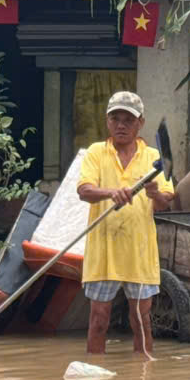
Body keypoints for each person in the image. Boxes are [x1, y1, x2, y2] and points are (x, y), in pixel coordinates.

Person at [77, 91, 175, 357]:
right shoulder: (96, 152)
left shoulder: (153, 157)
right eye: (115, 118)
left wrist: (154, 194)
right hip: (103, 251)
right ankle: (94, 377)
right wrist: (111, 192)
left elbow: (166, 201)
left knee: (141, 322)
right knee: (98, 321)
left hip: (139, 252)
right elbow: (84, 191)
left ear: (140, 122)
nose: (121, 125)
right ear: (107, 121)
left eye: (128, 120)